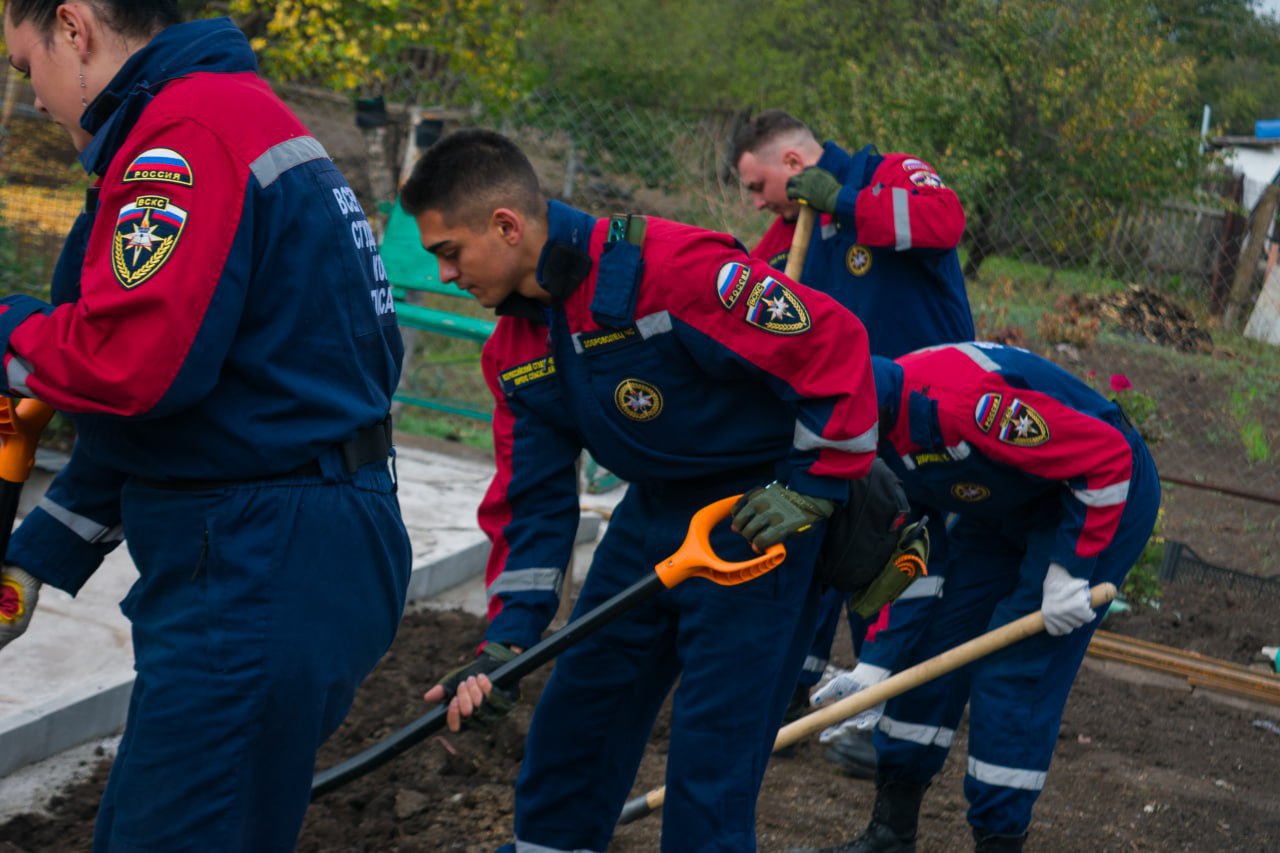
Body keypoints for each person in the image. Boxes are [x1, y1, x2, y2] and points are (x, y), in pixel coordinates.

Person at [0, 4, 411, 851]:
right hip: (288, 540)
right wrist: (38, 555)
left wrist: (10, 332)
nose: (33, 95)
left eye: (24, 65)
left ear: (74, 29)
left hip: (261, 557)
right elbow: (201, 407)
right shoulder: (229, 116)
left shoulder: (183, 137)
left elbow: (132, 366)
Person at [404, 128, 882, 852]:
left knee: (713, 749)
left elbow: (833, 341)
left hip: (756, 517)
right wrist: (507, 640)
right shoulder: (515, 353)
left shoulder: (669, 269)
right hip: (652, 513)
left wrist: (815, 484)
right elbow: (533, 504)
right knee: (578, 716)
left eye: (450, 252)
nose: (444, 275)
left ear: (505, 226)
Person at [794, 342, 1161, 853]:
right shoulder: (877, 437)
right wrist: (876, 667)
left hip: (1094, 496)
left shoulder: (970, 405)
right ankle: (890, 833)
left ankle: (998, 842)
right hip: (1008, 499)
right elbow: (917, 555)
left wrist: (1067, 572)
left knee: (1014, 668)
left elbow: (1106, 458)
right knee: (930, 649)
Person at [732, 109, 974, 776]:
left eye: (758, 187)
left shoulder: (888, 176)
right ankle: (791, 699)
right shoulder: (790, 236)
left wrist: (844, 202)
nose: (757, 203)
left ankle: (883, 722)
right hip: (840, 423)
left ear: (792, 165)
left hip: (922, 416)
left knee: (899, 559)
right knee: (817, 549)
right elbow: (745, 295)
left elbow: (945, 221)